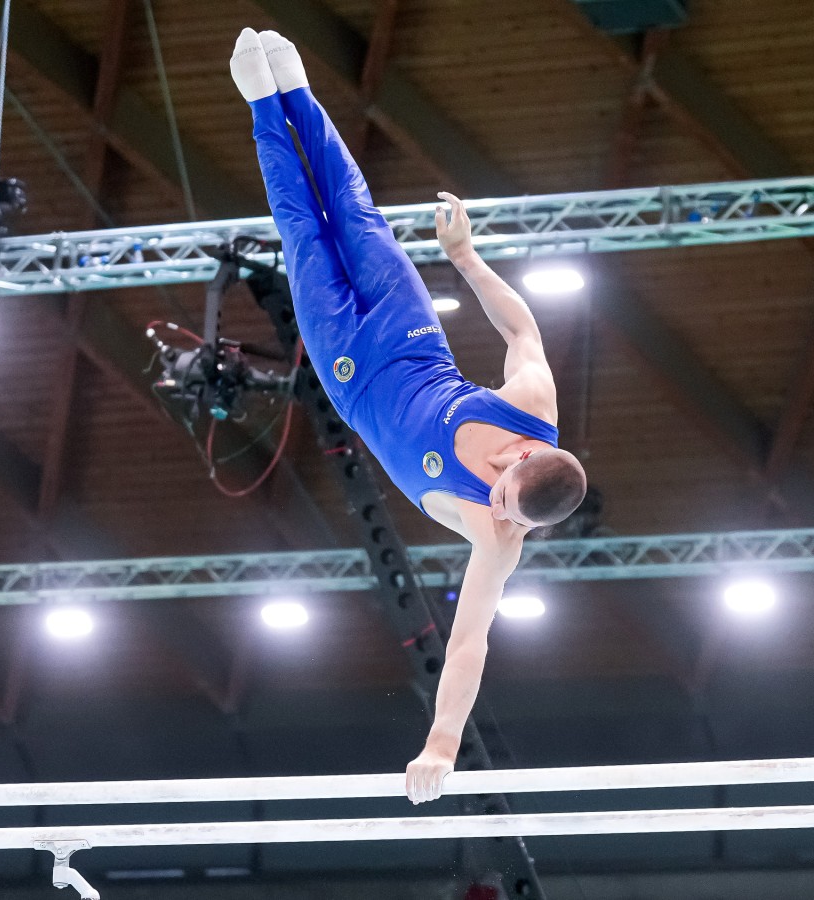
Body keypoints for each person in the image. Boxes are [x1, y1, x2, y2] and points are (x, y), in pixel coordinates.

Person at [230, 28, 587, 804]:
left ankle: (262, 107)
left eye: (506, 514)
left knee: (304, 231)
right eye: (505, 493)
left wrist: (442, 742)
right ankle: (298, 92)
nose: (498, 508)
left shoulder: (497, 539)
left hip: (351, 374)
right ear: (527, 455)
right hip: (412, 334)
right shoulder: (533, 407)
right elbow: (521, 330)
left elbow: (470, 643)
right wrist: (465, 258)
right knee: (355, 215)